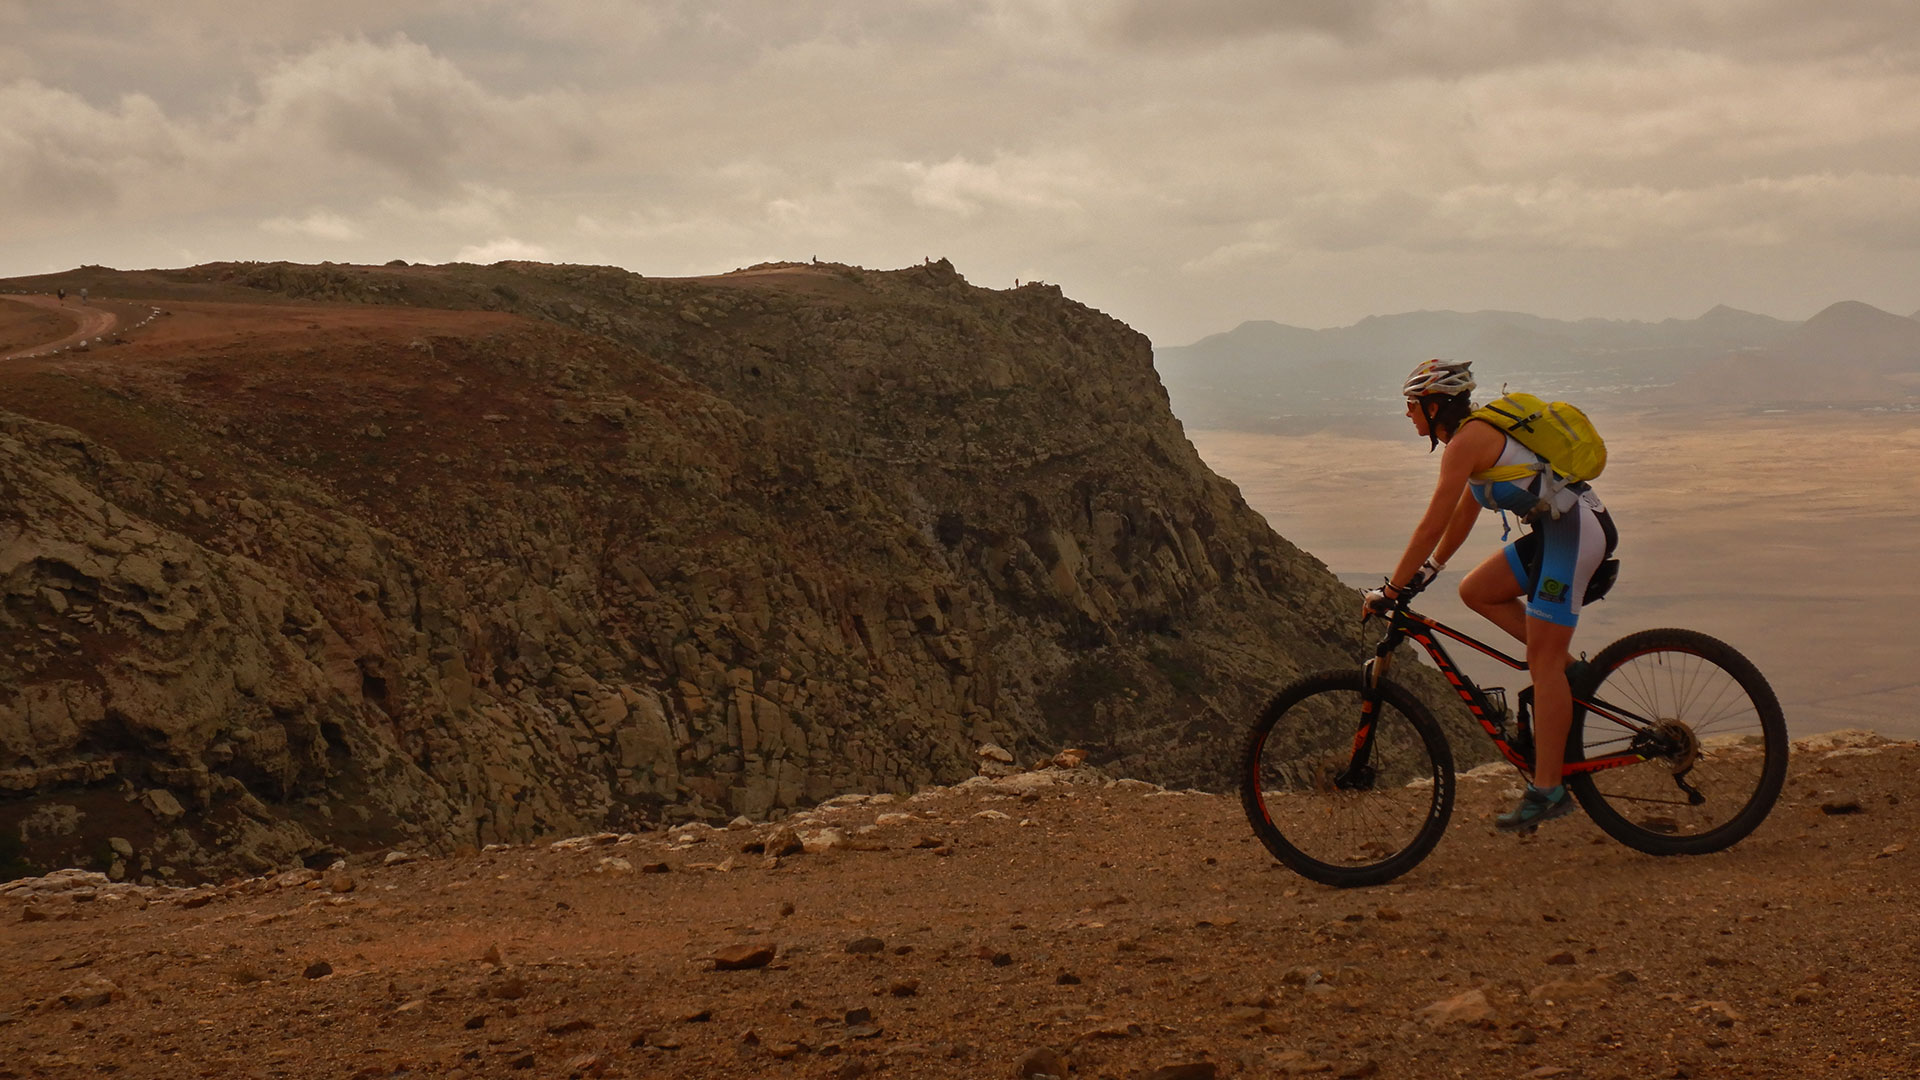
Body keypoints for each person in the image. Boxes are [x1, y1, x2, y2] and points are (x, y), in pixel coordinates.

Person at [1363, 358, 1618, 831]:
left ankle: (1549, 790)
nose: (1407, 414)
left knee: (1541, 662)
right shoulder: (1471, 441)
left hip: (1576, 534)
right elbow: (1463, 512)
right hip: (1556, 531)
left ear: (1434, 405)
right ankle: (1567, 672)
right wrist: (1430, 570)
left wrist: (1394, 588)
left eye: (1411, 406)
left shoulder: (1467, 442)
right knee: (1477, 590)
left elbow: (1432, 520)